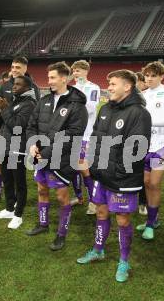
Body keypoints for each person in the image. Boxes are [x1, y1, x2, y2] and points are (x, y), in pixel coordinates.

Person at [76, 69, 151, 282]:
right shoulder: (105, 108)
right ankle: (98, 250)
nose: (108, 87)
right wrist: (93, 163)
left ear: (127, 86)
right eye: (108, 83)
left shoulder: (139, 113)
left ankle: (124, 261)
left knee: (122, 219)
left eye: (113, 84)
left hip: (122, 178)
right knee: (101, 212)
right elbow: (95, 138)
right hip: (101, 174)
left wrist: (114, 171)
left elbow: (137, 149)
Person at [25, 61, 87, 251]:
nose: (49, 81)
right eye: (48, 77)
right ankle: (43, 224)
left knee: (61, 197)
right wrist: (32, 145)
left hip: (61, 159)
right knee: (41, 190)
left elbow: (72, 136)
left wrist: (45, 153)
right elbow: (31, 126)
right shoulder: (43, 101)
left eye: (52, 78)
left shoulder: (77, 106)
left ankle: (61, 233)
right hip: (40, 156)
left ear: (63, 78)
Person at [0, 56, 41, 204]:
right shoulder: (5, 85)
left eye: (18, 67)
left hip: (19, 134)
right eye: (13, 67)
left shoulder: (33, 88)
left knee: (16, 170)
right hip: (3, 132)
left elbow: (34, 113)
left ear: (25, 69)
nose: (14, 70)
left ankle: (17, 201)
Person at [136, 61, 164, 240]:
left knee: (154, 183)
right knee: (146, 182)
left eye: (154, 75)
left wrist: (147, 121)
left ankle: (152, 222)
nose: (149, 78)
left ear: (162, 76)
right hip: (147, 144)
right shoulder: (142, 95)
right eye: (147, 75)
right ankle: (152, 219)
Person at [0, 76, 37, 229]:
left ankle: (18, 215)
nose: (14, 87)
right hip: (5, 146)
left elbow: (17, 127)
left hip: (17, 149)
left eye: (18, 84)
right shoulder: (13, 101)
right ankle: (9, 208)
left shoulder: (29, 104)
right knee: (7, 180)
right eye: (14, 84)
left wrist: (4, 109)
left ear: (27, 87)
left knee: (20, 183)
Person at [69, 60, 100, 216]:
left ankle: (93, 202)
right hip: (71, 134)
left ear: (86, 71)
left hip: (86, 134)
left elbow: (91, 107)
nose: (76, 73)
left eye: (79, 70)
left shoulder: (93, 88)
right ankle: (79, 197)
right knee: (72, 168)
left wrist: (74, 101)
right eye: (74, 71)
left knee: (85, 169)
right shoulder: (71, 88)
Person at [136, 71, 149, 216]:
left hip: (143, 140)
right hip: (128, 140)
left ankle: (142, 202)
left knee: (143, 174)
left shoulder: (147, 96)